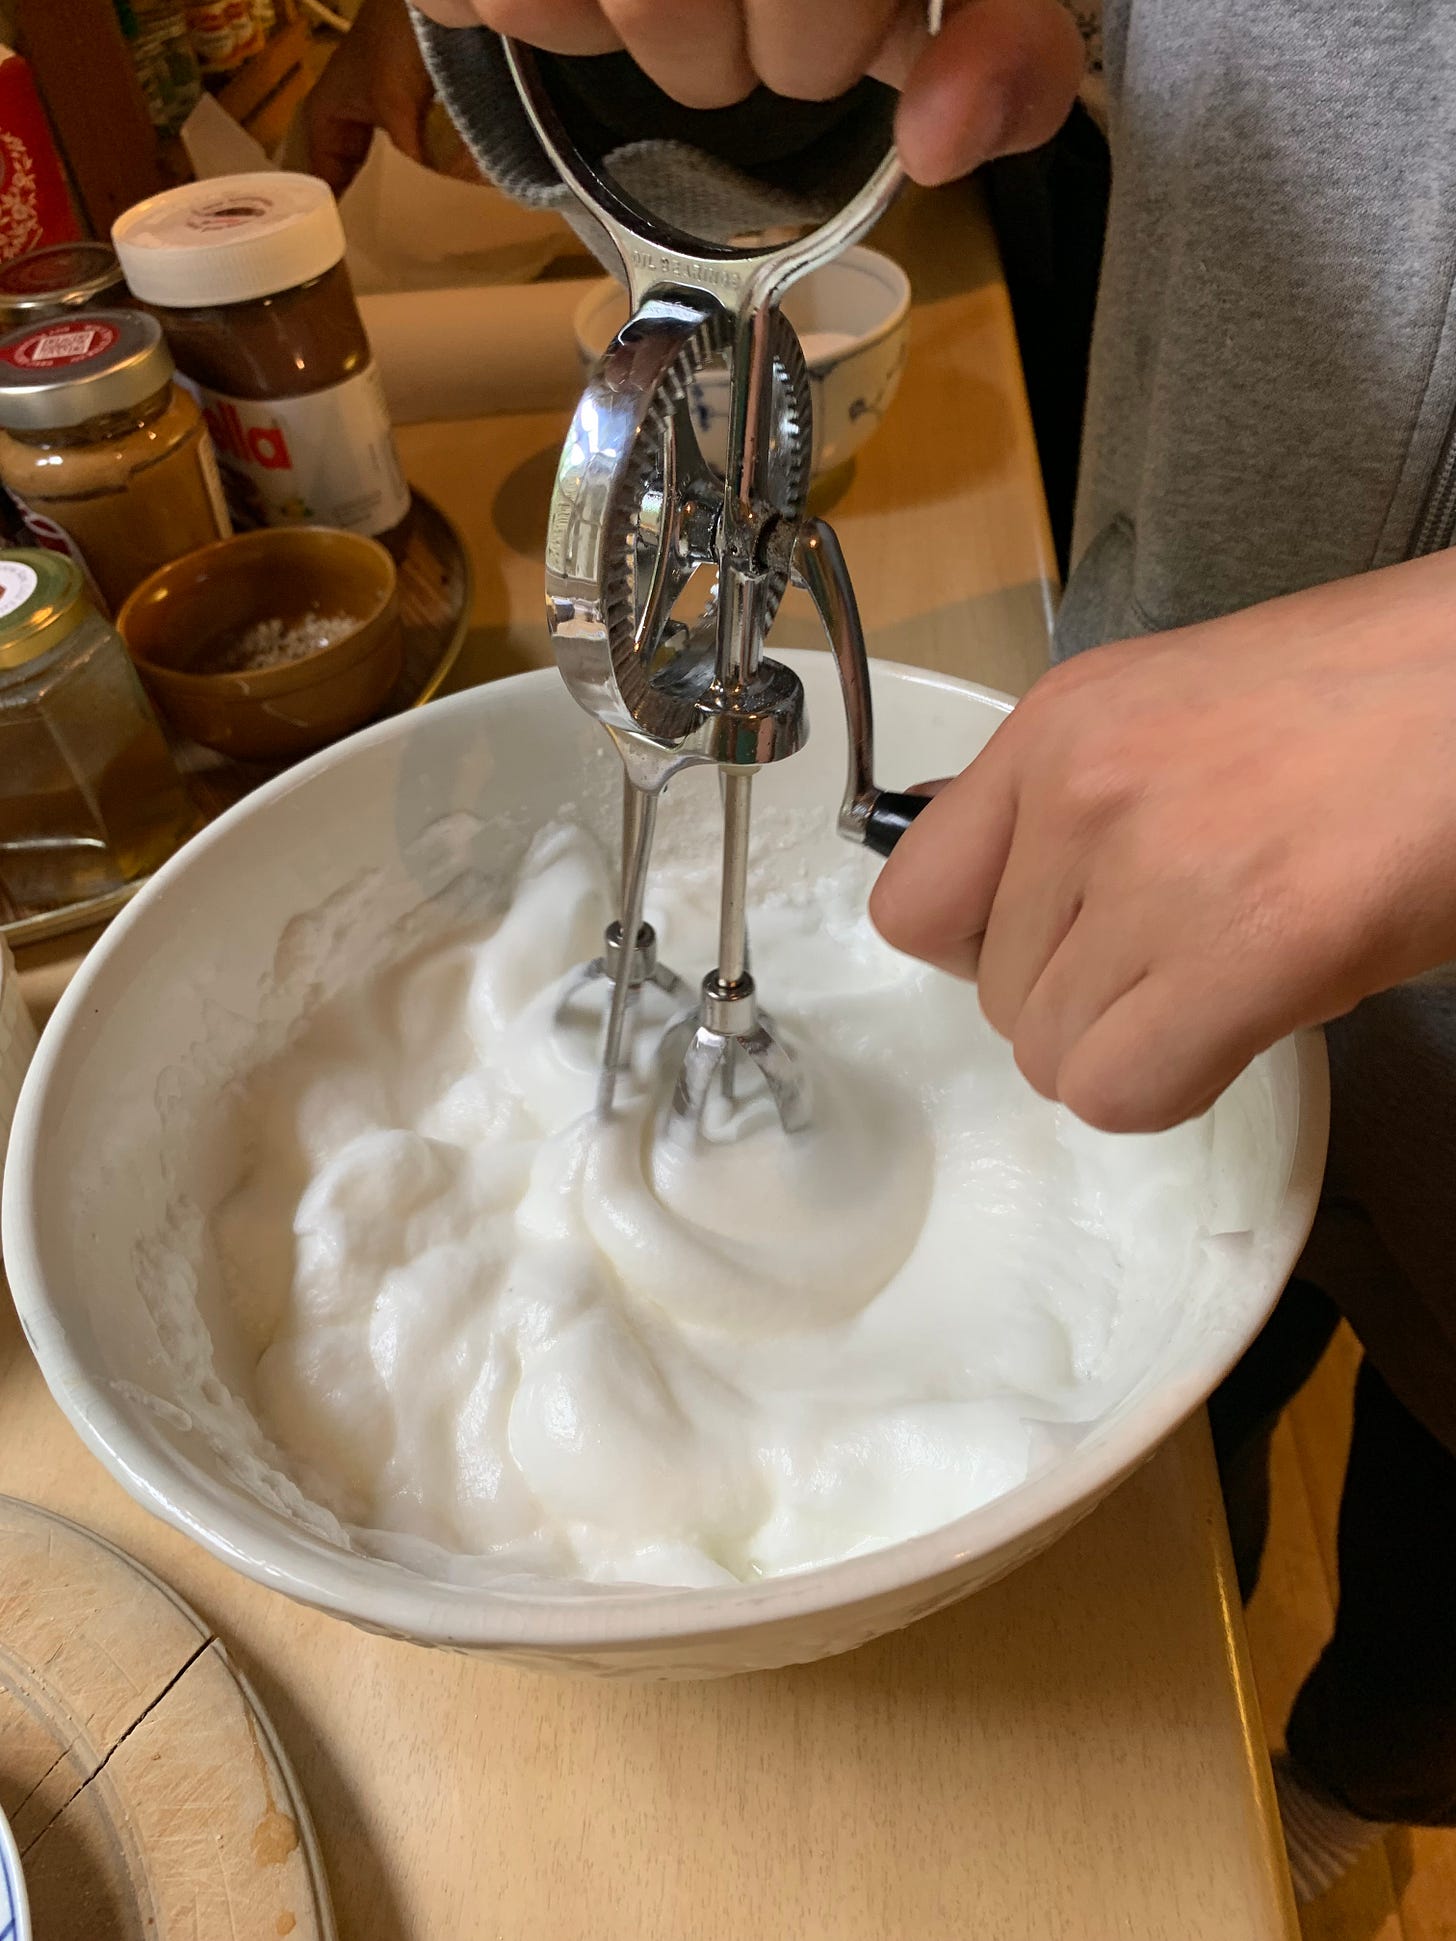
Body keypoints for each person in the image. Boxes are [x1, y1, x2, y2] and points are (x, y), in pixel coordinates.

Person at [317, 0, 1456, 1903]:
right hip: (1143, 869)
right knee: (1206, 1440)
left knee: (1438, 1563)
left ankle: (1349, 1787)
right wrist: (688, 63)